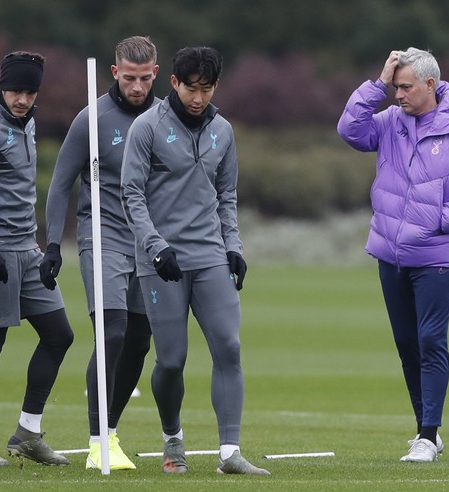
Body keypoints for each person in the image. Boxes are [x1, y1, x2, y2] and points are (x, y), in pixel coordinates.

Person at [337, 48, 449, 463]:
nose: (398, 94)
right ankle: (426, 432)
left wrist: (435, 221)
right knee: (407, 343)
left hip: (435, 255)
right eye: (395, 86)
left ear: (430, 85)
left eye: (405, 87)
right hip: (390, 254)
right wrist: (377, 83)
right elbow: (350, 131)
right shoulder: (390, 121)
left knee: (430, 340)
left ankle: (428, 434)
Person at [121, 46, 269, 476]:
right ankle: (173, 439)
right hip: (160, 261)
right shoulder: (146, 128)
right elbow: (130, 195)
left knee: (229, 347)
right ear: (174, 83)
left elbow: (227, 196)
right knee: (171, 360)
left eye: (206, 89)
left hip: (209, 257)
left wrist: (234, 247)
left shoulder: (223, 130)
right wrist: (154, 245)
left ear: (215, 86)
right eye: (190, 88)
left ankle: (229, 454)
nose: (197, 98)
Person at [42, 35, 158, 471]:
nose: (137, 87)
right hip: (102, 233)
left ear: (156, 74)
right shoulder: (91, 119)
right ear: (114, 73)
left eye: (145, 79)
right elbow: (60, 183)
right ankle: (96, 444)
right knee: (110, 333)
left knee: (139, 341)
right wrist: (53, 243)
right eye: (129, 78)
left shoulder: (165, 118)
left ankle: (111, 432)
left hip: (148, 241)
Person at [0, 51, 74, 467]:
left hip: (27, 248)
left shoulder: (29, 123)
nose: (22, 99)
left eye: (29, 92)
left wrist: (42, 248)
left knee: (60, 334)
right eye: (15, 90)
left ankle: (27, 432)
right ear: (1, 88)